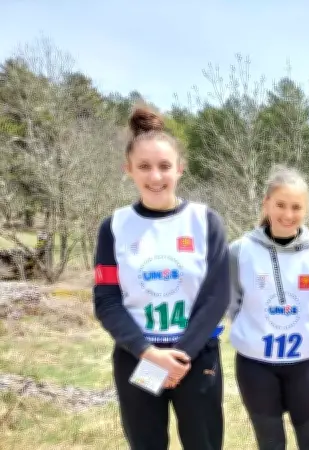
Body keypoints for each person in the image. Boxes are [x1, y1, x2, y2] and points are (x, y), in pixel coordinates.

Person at [92, 105, 229, 450]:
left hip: (195, 358)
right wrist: (149, 353)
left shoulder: (204, 221)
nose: (155, 177)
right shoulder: (115, 227)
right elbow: (107, 300)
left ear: (180, 169)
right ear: (128, 170)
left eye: (165, 166)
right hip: (140, 357)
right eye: (144, 167)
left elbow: (217, 296)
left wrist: (181, 355)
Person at [227, 165, 309, 450]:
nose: (287, 215)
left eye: (296, 207)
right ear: (266, 203)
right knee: (271, 443)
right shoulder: (240, 250)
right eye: (280, 205)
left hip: (303, 366)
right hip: (256, 366)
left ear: (306, 210)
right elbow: (232, 301)